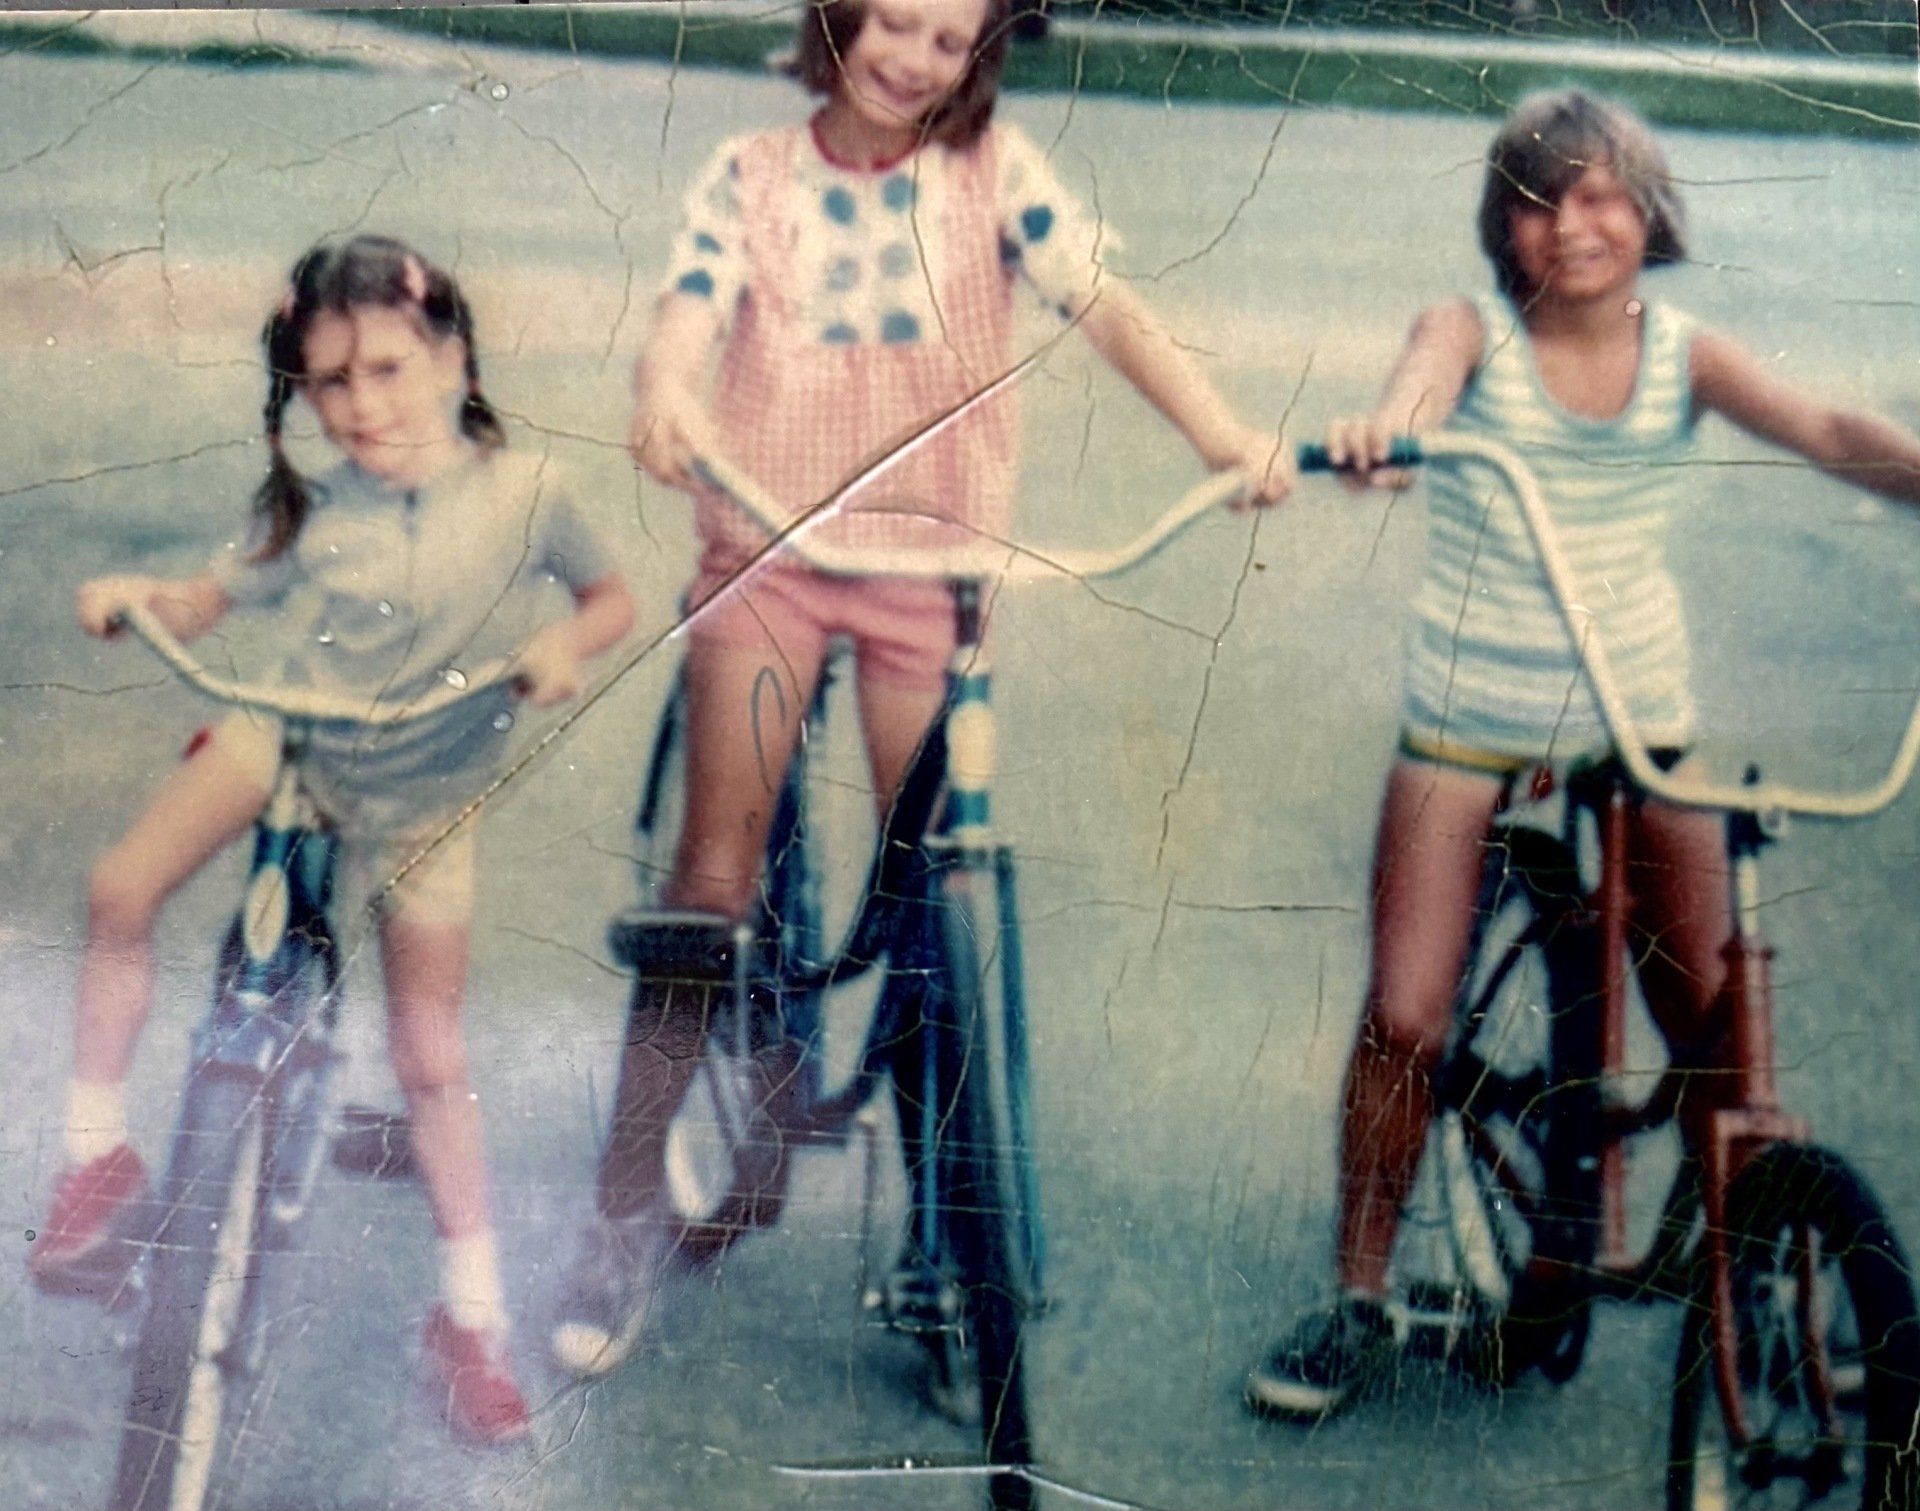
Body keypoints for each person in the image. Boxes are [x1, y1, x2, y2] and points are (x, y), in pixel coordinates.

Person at [550, 0, 1291, 1377]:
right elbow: (687, 316)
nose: (913, 56)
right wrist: (665, 394)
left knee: (937, 878)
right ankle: (619, 1204)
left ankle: (948, 1228)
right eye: (894, 20)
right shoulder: (751, 176)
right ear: (838, 17)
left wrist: (1223, 434)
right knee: (711, 884)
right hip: (770, 542)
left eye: (949, 41)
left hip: (933, 564)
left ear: (980, 58)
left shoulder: (995, 173)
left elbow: (1109, 308)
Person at [1245, 88, 1920, 1422]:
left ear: (1648, 210)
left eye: (1607, 192)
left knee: (1717, 1022)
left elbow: (1832, 432)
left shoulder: (1685, 354)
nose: (1579, 222)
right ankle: (1359, 1293)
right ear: (1508, 228)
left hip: (1630, 707)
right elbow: (1417, 385)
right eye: (1543, 199)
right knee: (1407, 1014)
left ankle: (1751, 1269)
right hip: (1469, 712)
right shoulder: (1473, 332)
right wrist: (1386, 437)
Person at [29, 235, 635, 1447]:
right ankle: (95, 1155)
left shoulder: (527, 494)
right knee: (121, 883)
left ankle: (470, 1316)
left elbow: (610, 597)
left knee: (425, 1053)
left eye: (392, 370)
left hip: (423, 779)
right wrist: (138, 598)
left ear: (455, 357)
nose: (365, 407)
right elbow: (210, 596)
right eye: (332, 384)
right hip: (294, 733)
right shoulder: (309, 502)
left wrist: (565, 649)